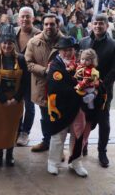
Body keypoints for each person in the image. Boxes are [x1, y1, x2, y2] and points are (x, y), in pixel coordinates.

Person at [46, 36, 106, 177]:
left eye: (70, 49)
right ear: (59, 51)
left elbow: (95, 80)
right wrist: (80, 92)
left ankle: (75, 162)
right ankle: (53, 163)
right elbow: (57, 87)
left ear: (74, 50)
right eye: (64, 50)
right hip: (61, 108)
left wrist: (95, 89)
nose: (67, 53)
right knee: (58, 136)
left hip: (79, 108)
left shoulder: (82, 64)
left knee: (78, 136)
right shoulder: (54, 65)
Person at [0, 25, 29, 167]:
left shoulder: (22, 60)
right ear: (0, 44)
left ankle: (10, 153)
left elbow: (25, 82)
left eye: (10, 43)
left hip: (15, 101)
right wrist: (3, 100)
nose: (7, 46)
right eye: (4, 43)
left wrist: (16, 99)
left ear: (14, 45)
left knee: (13, 127)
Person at [79, 13, 115, 167]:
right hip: (84, 90)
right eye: (95, 23)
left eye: (101, 23)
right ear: (91, 25)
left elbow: (114, 69)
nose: (98, 26)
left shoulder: (113, 45)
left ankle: (102, 151)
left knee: (104, 122)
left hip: (104, 90)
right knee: (84, 120)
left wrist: (100, 85)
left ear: (107, 26)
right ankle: (83, 145)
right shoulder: (84, 42)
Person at [25, 13, 63, 152]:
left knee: (59, 118)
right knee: (45, 117)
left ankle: (57, 148)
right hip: (42, 86)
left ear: (57, 25)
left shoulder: (65, 41)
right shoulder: (33, 42)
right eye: (46, 24)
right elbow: (28, 63)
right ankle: (46, 142)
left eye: (52, 24)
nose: (49, 27)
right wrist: (44, 71)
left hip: (60, 87)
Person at [14, 6, 40, 147]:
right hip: (16, 75)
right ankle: (17, 130)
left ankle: (25, 133)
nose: (24, 19)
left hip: (31, 76)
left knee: (29, 106)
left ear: (33, 18)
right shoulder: (14, 31)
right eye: (22, 16)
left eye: (27, 16)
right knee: (17, 103)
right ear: (18, 19)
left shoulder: (38, 34)